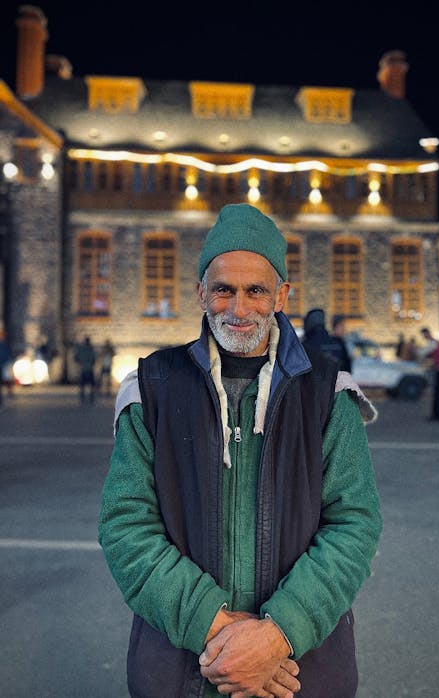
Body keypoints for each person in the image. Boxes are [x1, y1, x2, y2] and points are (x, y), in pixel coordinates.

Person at [98, 203, 382, 698]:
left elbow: (354, 525)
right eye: (224, 289)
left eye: (256, 290)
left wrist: (277, 635)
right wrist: (221, 633)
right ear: (201, 292)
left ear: (282, 295)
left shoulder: (327, 393)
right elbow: (126, 526)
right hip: (184, 670)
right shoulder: (152, 387)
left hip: (299, 674)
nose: (238, 308)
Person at [74, 336, 97, 403]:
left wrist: (81, 362)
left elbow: (76, 358)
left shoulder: (82, 349)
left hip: (83, 368)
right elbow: (94, 359)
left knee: (83, 384)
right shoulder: (91, 349)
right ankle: (91, 397)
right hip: (89, 368)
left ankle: (82, 397)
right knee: (91, 384)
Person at [0, 331, 14, 406]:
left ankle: (9, 392)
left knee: (6, 378)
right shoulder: (3, 344)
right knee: (5, 378)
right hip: (3, 363)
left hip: (4, 364)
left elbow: (7, 354)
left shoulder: (3, 345)